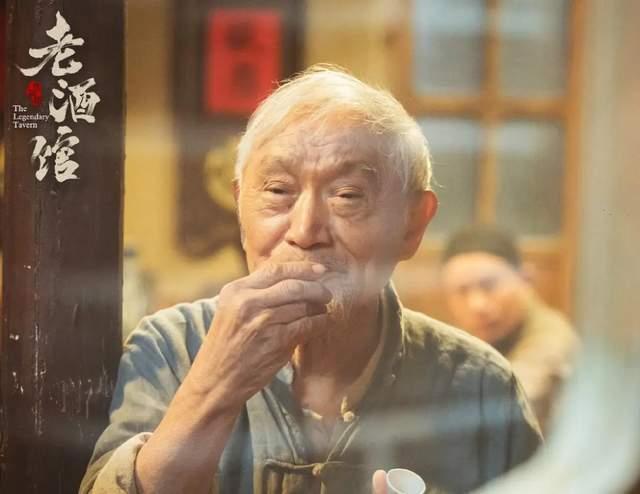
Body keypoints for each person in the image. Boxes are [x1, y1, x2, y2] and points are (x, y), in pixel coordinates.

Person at [81, 66, 541, 494]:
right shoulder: (170, 350)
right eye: (278, 191)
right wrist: (213, 387)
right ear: (240, 208)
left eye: (347, 195)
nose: (304, 232)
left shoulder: (481, 386)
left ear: (412, 224)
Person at [440, 225, 578, 432]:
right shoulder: (463, 338)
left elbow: (499, 407)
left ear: (526, 280)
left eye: (489, 286)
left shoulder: (553, 339)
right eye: (462, 291)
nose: (477, 305)